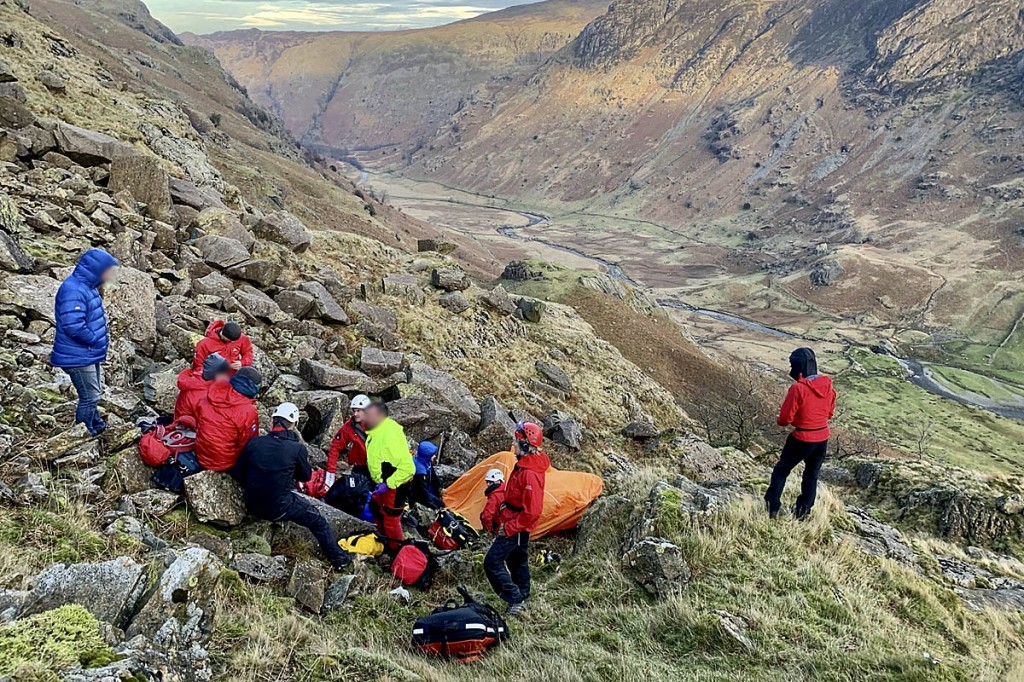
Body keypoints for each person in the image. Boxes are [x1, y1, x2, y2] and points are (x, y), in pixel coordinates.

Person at [234, 403, 352, 570]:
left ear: (273, 420)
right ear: (293, 425)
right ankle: (340, 560)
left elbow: (239, 472)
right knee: (318, 521)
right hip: (278, 507)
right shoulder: (296, 449)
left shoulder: (254, 443)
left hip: (252, 503)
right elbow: (305, 476)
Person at [51, 248, 119, 436]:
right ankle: (84, 433)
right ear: (96, 269)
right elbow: (73, 325)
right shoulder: (74, 289)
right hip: (78, 355)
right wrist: (94, 339)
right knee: (90, 397)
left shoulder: (87, 287)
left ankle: (97, 425)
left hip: (87, 353)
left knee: (93, 394)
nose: (110, 274)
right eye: (108, 270)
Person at [485, 422, 549, 616]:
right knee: (517, 560)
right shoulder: (525, 465)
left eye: (517, 441)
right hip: (515, 520)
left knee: (492, 562)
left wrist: (511, 527)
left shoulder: (529, 474)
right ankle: (523, 594)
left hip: (516, 524)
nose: (514, 444)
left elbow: (533, 510)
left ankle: (515, 599)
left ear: (526, 445)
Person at [765, 347, 837, 521]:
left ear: (798, 366)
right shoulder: (828, 386)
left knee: (781, 471)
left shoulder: (798, 389)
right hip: (822, 438)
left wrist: (788, 420)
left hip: (802, 437)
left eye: (792, 365)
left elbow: (784, 419)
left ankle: (772, 508)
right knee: (811, 476)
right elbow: (829, 413)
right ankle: (803, 513)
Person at [362, 401, 415, 547]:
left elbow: (408, 468)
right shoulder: (376, 431)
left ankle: (397, 549)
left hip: (396, 485)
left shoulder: (388, 437)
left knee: (390, 518)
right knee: (375, 506)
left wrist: (388, 484)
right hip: (383, 482)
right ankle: (384, 538)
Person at [194, 366, 261, 472]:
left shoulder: (210, 394)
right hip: (225, 462)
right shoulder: (248, 410)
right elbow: (248, 443)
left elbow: (198, 420)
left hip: (201, 453)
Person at [325, 394, 371, 485]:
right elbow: (335, 447)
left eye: (358, 411)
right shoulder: (349, 427)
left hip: (378, 465)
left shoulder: (378, 425)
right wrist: (330, 472)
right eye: (354, 411)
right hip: (361, 465)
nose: (355, 414)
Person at [173, 352, 231, 421]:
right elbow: (207, 420)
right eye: (223, 374)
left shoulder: (202, 380)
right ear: (214, 375)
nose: (226, 377)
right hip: (190, 427)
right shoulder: (198, 395)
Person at [410, 440, 444, 509]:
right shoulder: (420, 471)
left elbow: (433, 476)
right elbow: (422, 492)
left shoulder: (427, 462)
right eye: (432, 455)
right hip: (419, 496)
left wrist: (439, 488)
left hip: (427, 489)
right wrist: (434, 507)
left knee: (441, 503)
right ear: (427, 456)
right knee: (440, 505)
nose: (434, 456)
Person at [479, 468, 506, 535]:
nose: (488, 484)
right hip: (508, 526)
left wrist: (489, 531)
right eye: (487, 482)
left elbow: (486, 516)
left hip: (498, 527)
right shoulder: (506, 491)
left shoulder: (494, 496)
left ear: (497, 481)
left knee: (482, 515)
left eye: (490, 482)